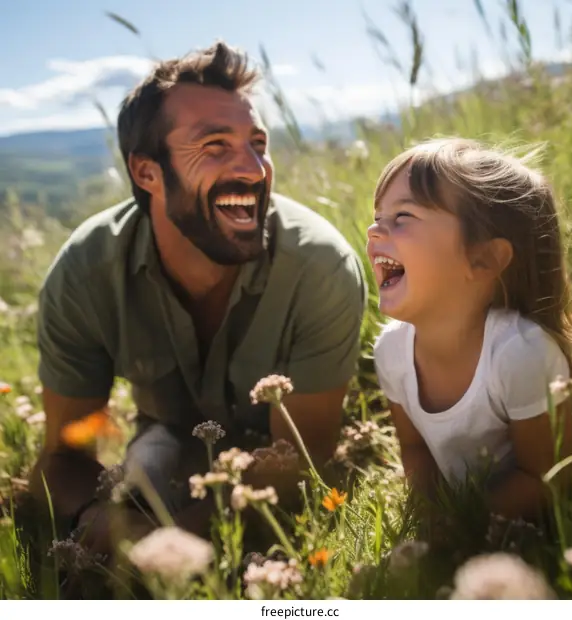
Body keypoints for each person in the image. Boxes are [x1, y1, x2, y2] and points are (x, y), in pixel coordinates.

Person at [28, 41, 367, 555]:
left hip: (268, 488)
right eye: (215, 146)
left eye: (258, 143)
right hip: (159, 461)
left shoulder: (319, 268)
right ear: (147, 173)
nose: (254, 169)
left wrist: (162, 549)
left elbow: (301, 462)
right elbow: (61, 458)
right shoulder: (85, 275)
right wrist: (96, 521)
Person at [367, 137, 572, 526]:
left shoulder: (521, 355)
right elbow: (415, 451)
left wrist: (459, 526)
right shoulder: (391, 352)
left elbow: (549, 478)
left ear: (483, 259)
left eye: (402, 218)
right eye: (378, 217)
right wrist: (428, 518)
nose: (374, 230)